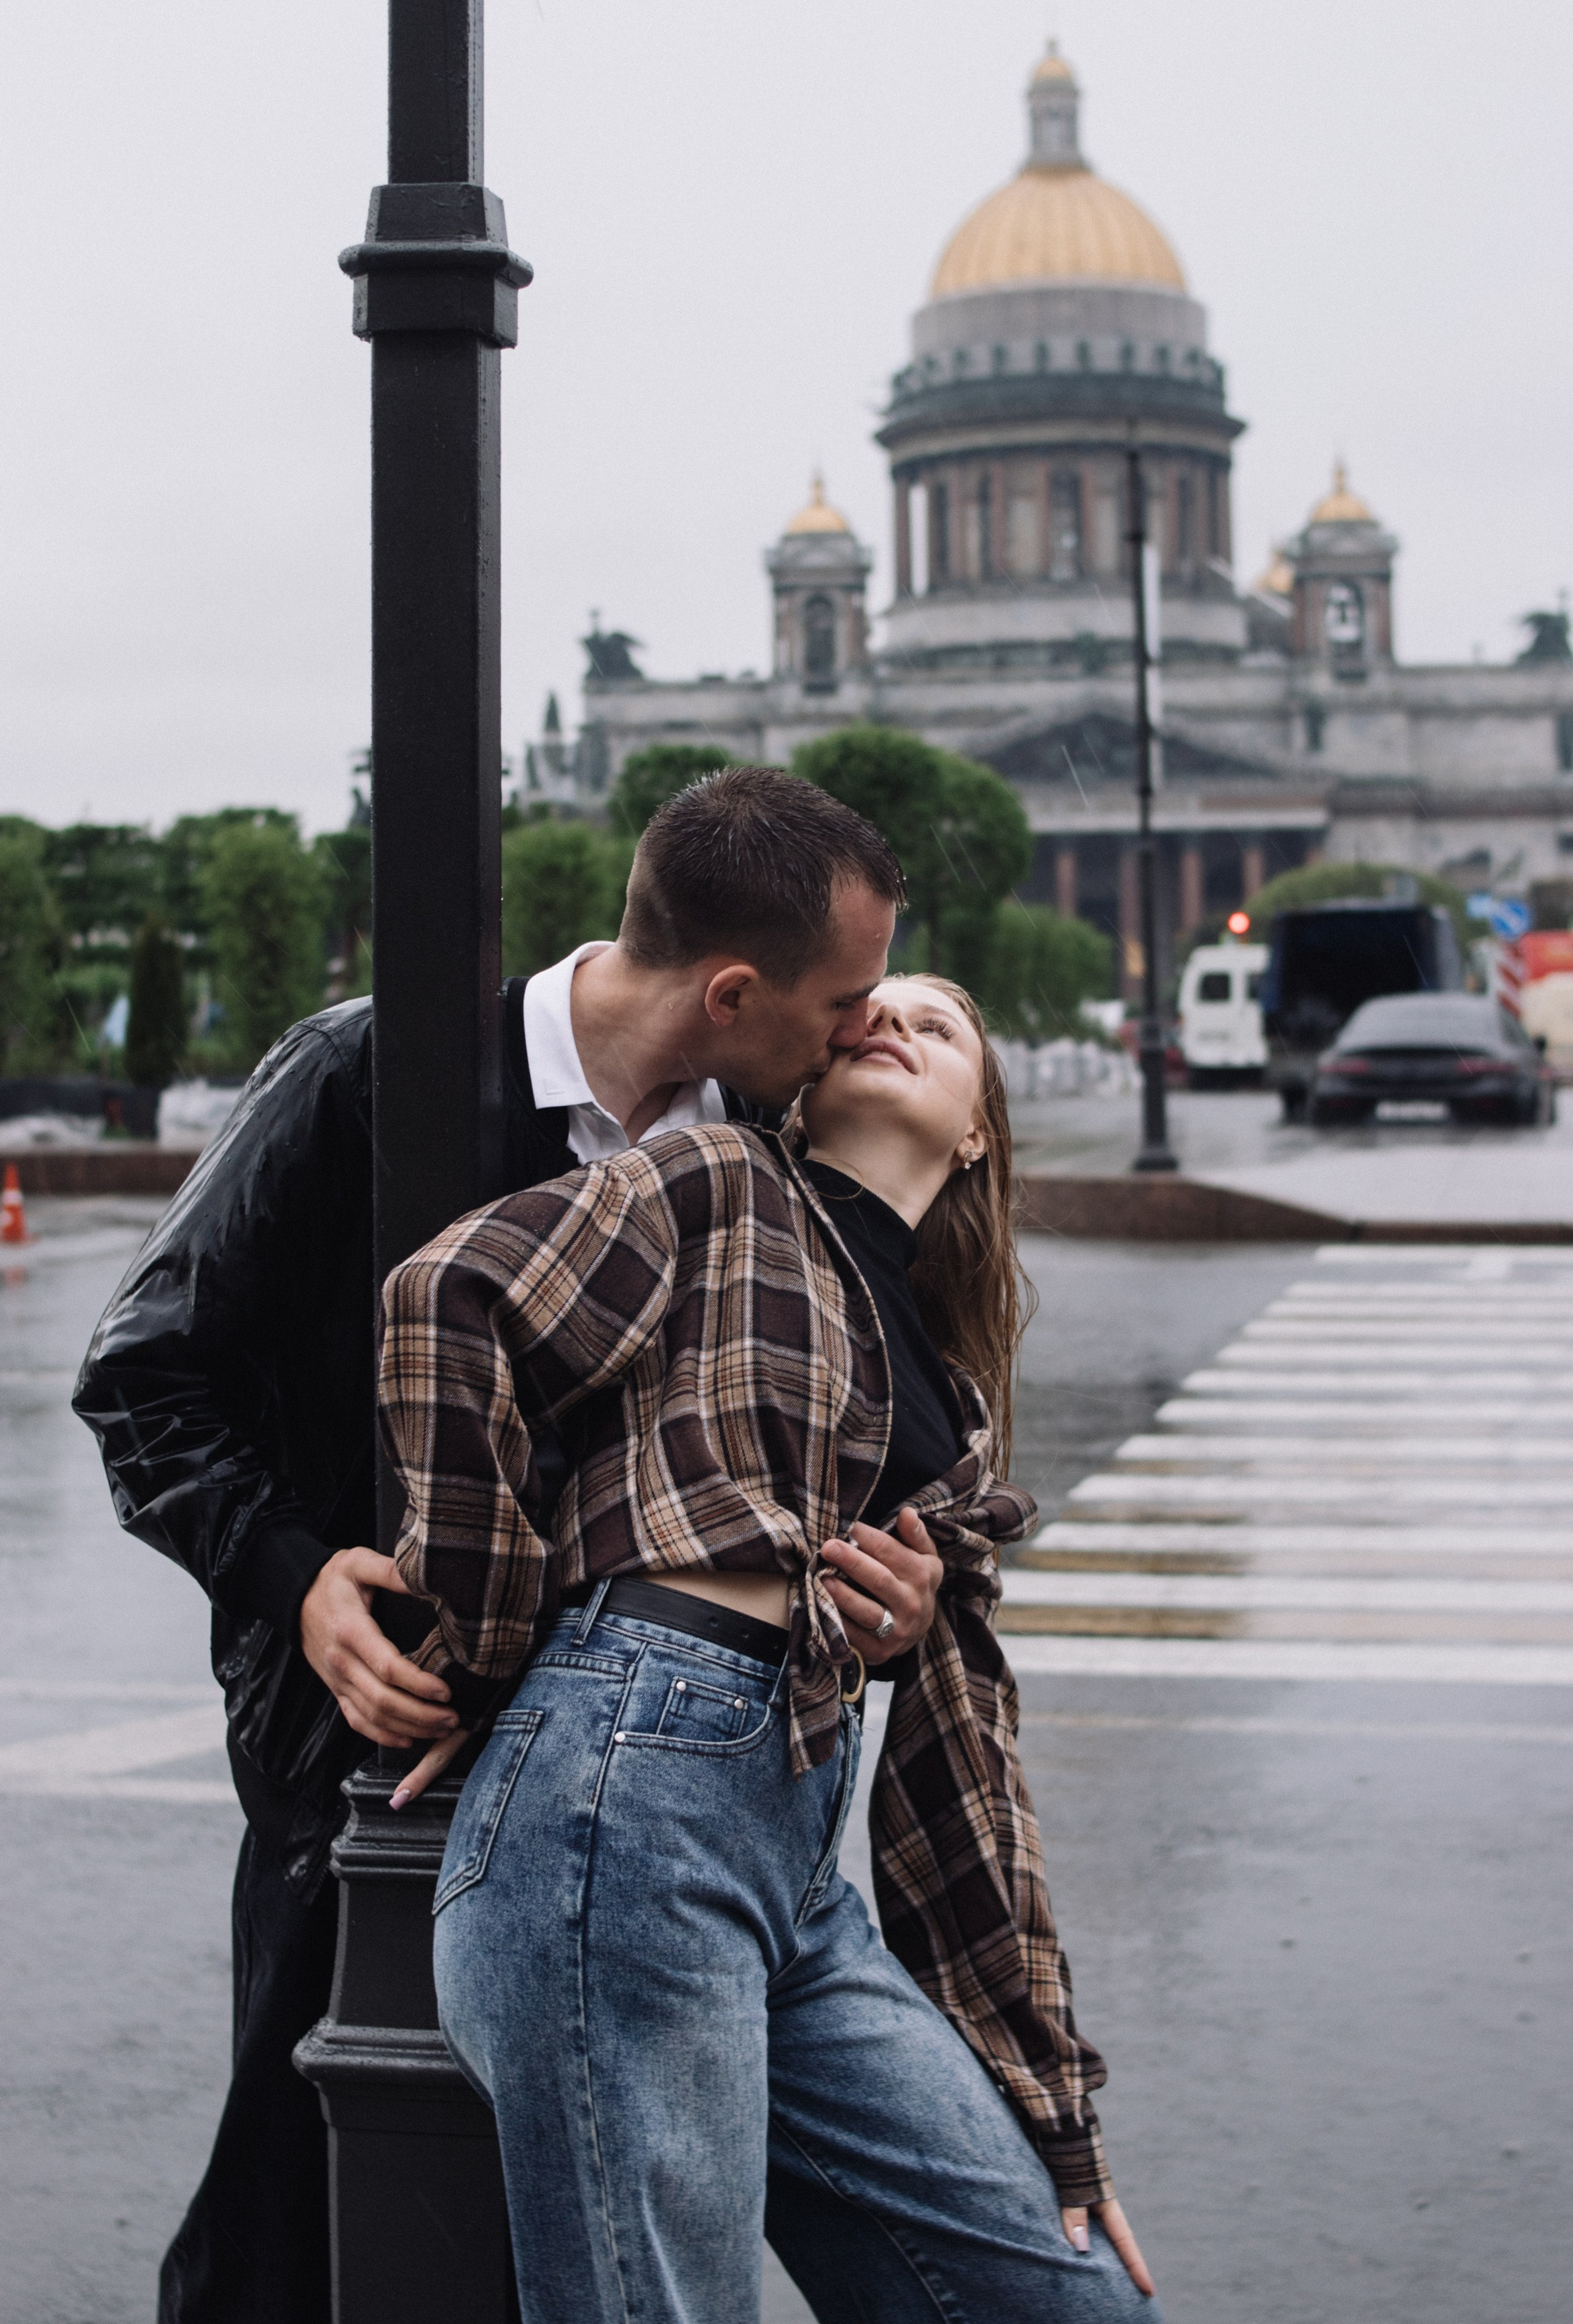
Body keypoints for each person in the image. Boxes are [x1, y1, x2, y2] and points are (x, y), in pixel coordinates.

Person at [71, 767, 913, 2324]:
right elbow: (146, 1374)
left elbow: (811, 1442)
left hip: (651, 1788)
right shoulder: (365, 1071)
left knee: (586, 2217)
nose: (862, 1029)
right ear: (731, 991)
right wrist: (294, 1575)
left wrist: (889, 1570)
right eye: (843, 997)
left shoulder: (782, 1134)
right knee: (291, 2203)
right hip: (369, 1738)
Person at [380, 974, 1160, 2324]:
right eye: (873, 1008)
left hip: (793, 1869)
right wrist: (488, 1645)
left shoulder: (954, 1398)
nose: (893, 1026)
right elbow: (449, 1301)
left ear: (977, 1130)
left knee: (1065, 2304)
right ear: (798, 1085)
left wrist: (1055, 2113)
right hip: (621, 1808)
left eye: (941, 1025)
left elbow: (967, 1782)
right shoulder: (721, 1182)